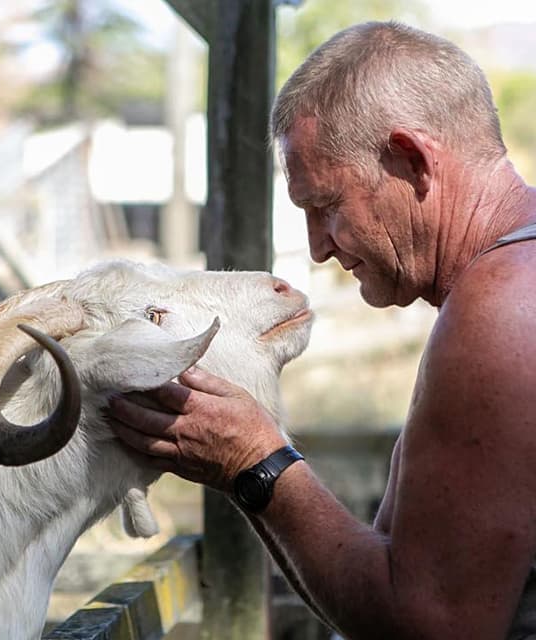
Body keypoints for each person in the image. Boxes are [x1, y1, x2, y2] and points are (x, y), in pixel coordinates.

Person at [108, 21, 536, 640]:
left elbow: (436, 626)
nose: (316, 250)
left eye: (327, 206)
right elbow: (404, 566)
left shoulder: (503, 311)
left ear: (412, 161)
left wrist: (256, 462)